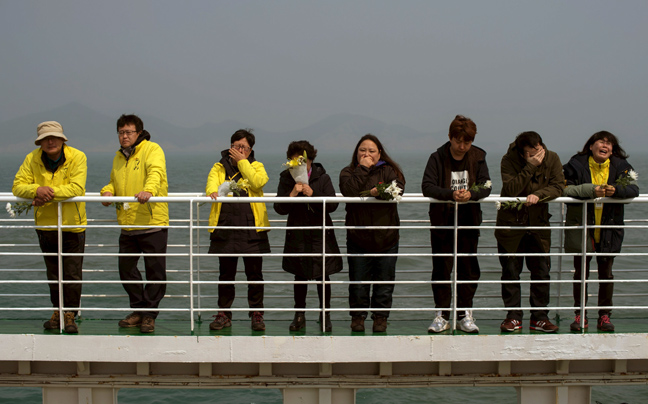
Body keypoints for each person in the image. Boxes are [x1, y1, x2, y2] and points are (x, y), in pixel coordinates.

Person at [12, 121, 87, 333]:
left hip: (72, 225)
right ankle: (57, 311)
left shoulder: (77, 156)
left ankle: (70, 314)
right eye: (46, 138)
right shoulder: (32, 158)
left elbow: (76, 187)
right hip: (46, 226)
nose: (50, 141)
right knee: (53, 273)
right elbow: (18, 185)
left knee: (72, 273)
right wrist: (37, 189)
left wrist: (45, 194)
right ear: (40, 142)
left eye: (54, 137)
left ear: (63, 139)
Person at [563, 131, 639, 332]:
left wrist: (617, 191)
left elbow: (634, 189)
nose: (605, 146)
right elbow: (563, 188)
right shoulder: (576, 164)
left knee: (606, 275)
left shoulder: (620, 166)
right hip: (583, 226)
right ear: (591, 146)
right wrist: (589, 190)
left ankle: (604, 316)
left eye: (609, 143)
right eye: (601, 142)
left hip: (608, 228)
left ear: (612, 149)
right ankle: (581, 315)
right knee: (581, 274)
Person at [421, 115, 490, 333]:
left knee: (468, 269)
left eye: (467, 142)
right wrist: (451, 195)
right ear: (450, 138)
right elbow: (427, 186)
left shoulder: (478, 157)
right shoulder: (437, 157)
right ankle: (441, 315)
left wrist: (471, 193)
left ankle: (464, 314)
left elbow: (486, 185)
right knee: (442, 269)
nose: (462, 146)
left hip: (469, 221)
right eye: (458, 141)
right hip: (442, 221)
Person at [100, 114, 169, 333]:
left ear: (139, 133)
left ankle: (149, 314)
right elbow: (114, 179)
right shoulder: (119, 157)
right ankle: (139, 310)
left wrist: (149, 190)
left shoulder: (152, 149)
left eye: (129, 132)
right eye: (121, 132)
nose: (124, 136)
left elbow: (156, 173)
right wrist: (107, 191)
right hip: (128, 224)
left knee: (155, 271)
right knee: (126, 269)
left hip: (152, 221)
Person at [495, 131, 564, 333]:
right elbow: (510, 189)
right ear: (520, 150)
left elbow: (558, 186)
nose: (537, 156)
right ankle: (513, 316)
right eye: (530, 153)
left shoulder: (552, 158)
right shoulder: (508, 160)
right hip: (511, 224)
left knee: (541, 272)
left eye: (538, 151)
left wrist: (539, 195)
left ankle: (540, 317)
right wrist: (530, 167)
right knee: (510, 272)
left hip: (539, 224)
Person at [274, 141, 343, 332]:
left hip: (321, 232)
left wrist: (314, 194)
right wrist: (292, 194)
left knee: (323, 275)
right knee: (300, 274)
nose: (298, 165)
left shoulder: (323, 177)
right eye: (294, 161)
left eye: (302, 161)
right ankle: (299, 314)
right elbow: (279, 208)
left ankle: (325, 314)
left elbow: (333, 206)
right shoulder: (286, 178)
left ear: (310, 159)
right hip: (297, 232)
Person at [206, 129, 270, 332]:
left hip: (252, 227)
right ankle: (224, 314)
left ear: (250, 150)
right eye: (236, 146)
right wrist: (212, 191)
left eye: (243, 147)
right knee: (226, 274)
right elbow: (210, 186)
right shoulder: (218, 167)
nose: (239, 150)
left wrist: (243, 162)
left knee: (255, 274)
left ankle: (257, 314)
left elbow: (259, 182)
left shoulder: (256, 166)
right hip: (225, 226)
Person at [339, 134, 405, 333]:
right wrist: (364, 169)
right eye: (362, 150)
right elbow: (348, 190)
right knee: (358, 282)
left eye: (371, 151)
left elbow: (398, 189)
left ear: (380, 153)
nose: (366, 154)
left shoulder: (390, 170)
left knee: (385, 282)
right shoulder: (348, 172)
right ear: (356, 152)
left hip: (387, 236)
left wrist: (379, 192)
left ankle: (380, 318)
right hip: (358, 236)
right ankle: (358, 318)